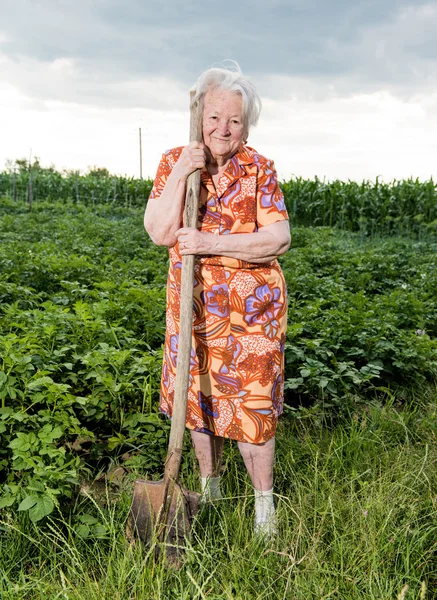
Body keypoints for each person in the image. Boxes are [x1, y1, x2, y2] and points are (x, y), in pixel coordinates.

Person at [144, 63, 290, 536]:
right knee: (198, 403)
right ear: (199, 115)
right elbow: (159, 232)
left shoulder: (258, 169)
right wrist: (185, 169)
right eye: (213, 118)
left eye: (234, 120)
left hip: (251, 322)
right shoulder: (174, 161)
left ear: (246, 124)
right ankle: (209, 490)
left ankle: (263, 509)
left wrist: (210, 243)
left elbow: (278, 238)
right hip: (192, 311)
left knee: (252, 413)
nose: (223, 129)